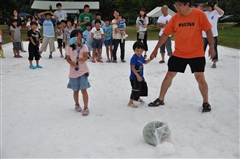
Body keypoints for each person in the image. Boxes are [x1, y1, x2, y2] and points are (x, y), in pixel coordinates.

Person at [149, 0, 215, 113]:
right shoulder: (175, 18)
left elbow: (208, 31)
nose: (177, 7)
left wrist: (212, 48)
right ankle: (160, 99)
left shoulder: (199, 14)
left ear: (187, 4)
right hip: (179, 53)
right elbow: (165, 34)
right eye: (175, 5)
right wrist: (155, 50)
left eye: (179, 5)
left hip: (196, 53)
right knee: (169, 75)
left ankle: (206, 102)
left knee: (200, 78)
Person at [66, 30, 91, 116]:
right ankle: (77, 104)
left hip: (83, 71)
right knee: (75, 90)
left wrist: (80, 59)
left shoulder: (84, 46)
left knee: (84, 89)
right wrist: (73, 64)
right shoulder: (69, 47)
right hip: (73, 72)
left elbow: (85, 56)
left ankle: (86, 107)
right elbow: (68, 58)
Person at [127, 41, 152, 108]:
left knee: (142, 87)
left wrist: (151, 58)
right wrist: (137, 76)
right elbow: (132, 67)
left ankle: (137, 97)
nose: (139, 52)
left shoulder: (141, 57)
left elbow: (145, 62)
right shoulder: (134, 58)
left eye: (141, 51)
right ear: (134, 50)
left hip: (141, 76)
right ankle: (130, 102)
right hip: (134, 77)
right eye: (137, 50)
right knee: (135, 89)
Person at [202, 2, 224, 68]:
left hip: (213, 34)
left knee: (214, 48)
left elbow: (222, 13)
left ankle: (214, 62)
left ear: (212, 7)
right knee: (202, 49)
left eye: (209, 7)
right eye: (206, 7)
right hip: (204, 34)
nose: (207, 8)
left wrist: (215, 7)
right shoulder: (204, 13)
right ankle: (201, 61)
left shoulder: (215, 13)